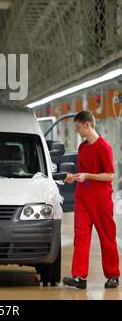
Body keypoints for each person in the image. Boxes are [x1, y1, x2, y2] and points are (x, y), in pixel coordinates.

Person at [63, 110, 120, 289]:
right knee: (81, 236)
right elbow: (85, 173)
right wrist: (75, 176)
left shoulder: (104, 147)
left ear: (87, 125)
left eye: (78, 127)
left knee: (106, 236)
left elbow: (110, 175)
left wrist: (88, 175)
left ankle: (113, 275)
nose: (77, 131)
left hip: (100, 199)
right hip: (83, 198)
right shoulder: (82, 147)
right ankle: (79, 276)